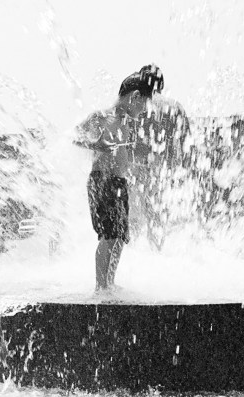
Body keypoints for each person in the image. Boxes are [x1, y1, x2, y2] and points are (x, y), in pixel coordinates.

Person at [73, 72, 155, 291]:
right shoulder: (100, 117)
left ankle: (110, 281)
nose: (144, 109)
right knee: (109, 236)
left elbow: (122, 155)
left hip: (119, 182)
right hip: (102, 181)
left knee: (120, 236)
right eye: (144, 103)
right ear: (135, 97)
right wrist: (95, 144)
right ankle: (101, 286)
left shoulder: (127, 122)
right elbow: (75, 137)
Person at [133, 63, 190, 249]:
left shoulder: (135, 106)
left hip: (136, 167)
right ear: (161, 84)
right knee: (157, 218)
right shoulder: (175, 107)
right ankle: (156, 256)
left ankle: (132, 262)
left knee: (132, 219)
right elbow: (184, 146)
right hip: (163, 170)